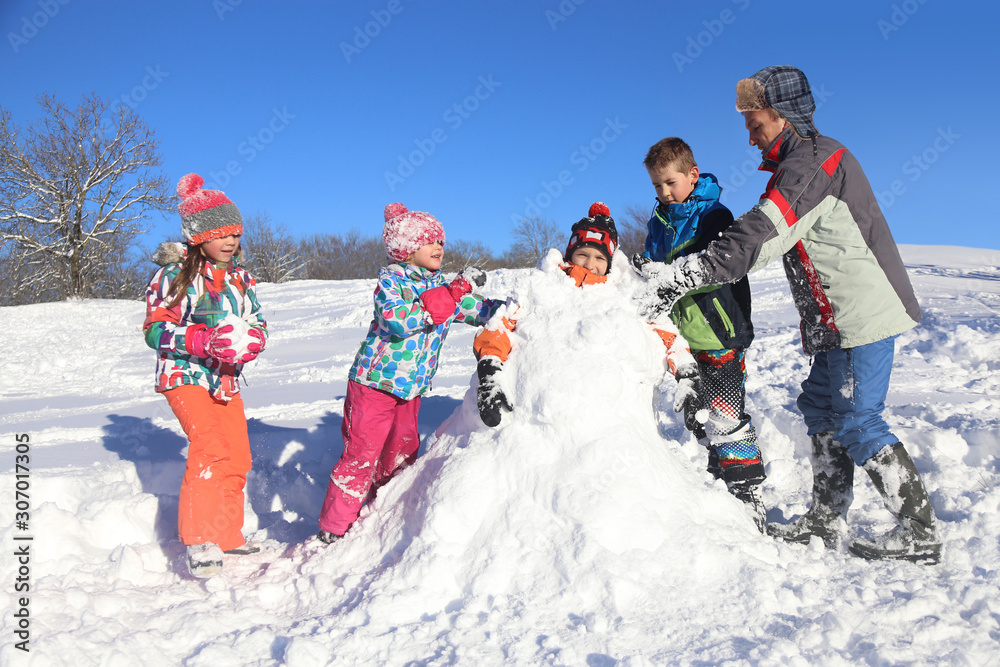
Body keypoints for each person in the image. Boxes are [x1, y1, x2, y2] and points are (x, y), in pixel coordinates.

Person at [637, 65, 940, 563]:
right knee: (820, 408)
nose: (751, 138)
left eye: (757, 125)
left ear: (786, 116)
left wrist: (684, 275)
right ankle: (826, 517)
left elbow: (764, 230)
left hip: (862, 314)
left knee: (861, 421)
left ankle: (920, 532)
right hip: (832, 320)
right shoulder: (796, 163)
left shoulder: (815, 162)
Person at [316, 203, 501, 544]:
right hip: (373, 386)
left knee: (401, 454)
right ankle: (334, 528)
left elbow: (478, 310)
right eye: (429, 242)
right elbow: (399, 321)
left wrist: (507, 311)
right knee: (362, 455)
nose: (439, 248)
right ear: (406, 249)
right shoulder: (392, 282)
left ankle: (380, 514)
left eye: (440, 242)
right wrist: (454, 291)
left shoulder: (441, 286)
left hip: (410, 390)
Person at [473, 203, 698, 446]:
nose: (590, 264)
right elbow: (501, 327)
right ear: (570, 253)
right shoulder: (541, 286)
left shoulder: (626, 293)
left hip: (611, 431)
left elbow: (668, 335)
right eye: (583, 254)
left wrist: (686, 373)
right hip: (531, 427)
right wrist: (490, 372)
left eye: (600, 257)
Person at [633, 137, 764, 530]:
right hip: (683, 339)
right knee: (697, 413)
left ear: (692, 175)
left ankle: (747, 493)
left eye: (670, 182)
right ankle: (718, 476)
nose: (664, 192)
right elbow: (658, 272)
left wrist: (669, 273)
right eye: (656, 185)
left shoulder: (715, 216)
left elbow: (718, 269)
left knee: (726, 414)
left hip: (718, 331)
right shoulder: (658, 221)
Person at [143, 174, 268, 578]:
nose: (230, 241)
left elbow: (258, 323)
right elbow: (155, 330)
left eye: (234, 233)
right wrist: (204, 340)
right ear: (199, 236)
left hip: (225, 379)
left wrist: (251, 341)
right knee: (210, 446)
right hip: (184, 374)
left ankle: (227, 535)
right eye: (220, 234)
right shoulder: (175, 275)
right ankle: (199, 538)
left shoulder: (240, 279)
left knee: (238, 455)